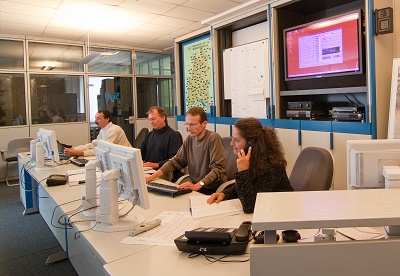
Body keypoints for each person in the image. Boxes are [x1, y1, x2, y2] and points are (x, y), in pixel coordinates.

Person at [207, 118, 293, 213]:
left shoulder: (272, 167)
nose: (231, 143)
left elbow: (250, 206)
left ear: (251, 144)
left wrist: (243, 171)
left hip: (279, 215)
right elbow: (247, 186)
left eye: (236, 140)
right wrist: (225, 194)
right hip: (264, 214)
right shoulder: (253, 159)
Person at [145, 106, 227, 195]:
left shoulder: (213, 138)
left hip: (211, 189)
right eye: (187, 124)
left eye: (192, 124)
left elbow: (218, 169)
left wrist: (199, 185)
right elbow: (175, 161)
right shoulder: (190, 139)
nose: (189, 128)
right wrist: (151, 177)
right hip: (195, 187)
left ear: (204, 123)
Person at [140, 106, 183, 181]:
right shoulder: (149, 135)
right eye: (149, 119)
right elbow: (140, 154)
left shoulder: (173, 136)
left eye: (153, 119)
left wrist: (157, 164)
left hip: (165, 173)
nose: (151, 122)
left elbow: (176, 160)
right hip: (149, 171)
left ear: (163, 118)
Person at [64, 110, 131, 157]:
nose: (95, 121)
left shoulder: (114, 130)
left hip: (125, 157)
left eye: (98, 118)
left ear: (107, 119)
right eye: (95, 118)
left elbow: (104, 150)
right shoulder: (103, 130)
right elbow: (93, 145)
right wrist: (74, 149)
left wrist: (81, 153)